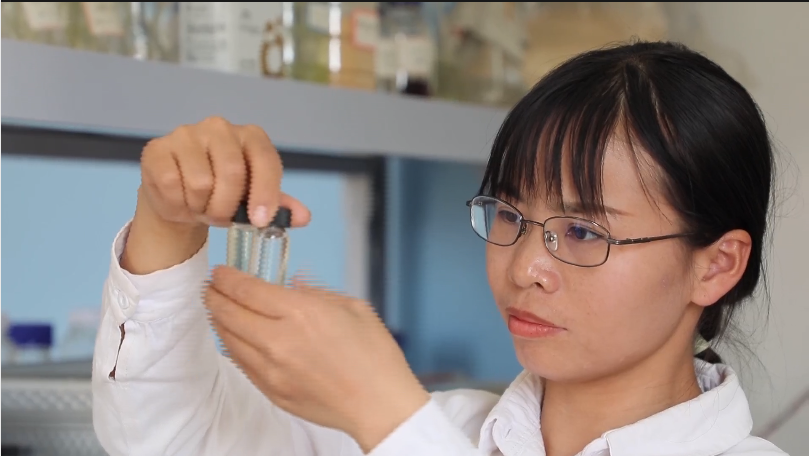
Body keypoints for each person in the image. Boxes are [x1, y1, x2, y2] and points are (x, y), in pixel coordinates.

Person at [92, 40, 788, 456]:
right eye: (509, 214)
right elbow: (169, 439)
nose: (525, 267)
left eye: (583, 232)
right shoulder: (449, 428)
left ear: (715, 266)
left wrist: (387, 413)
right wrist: (168, 219)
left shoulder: (400, 426)